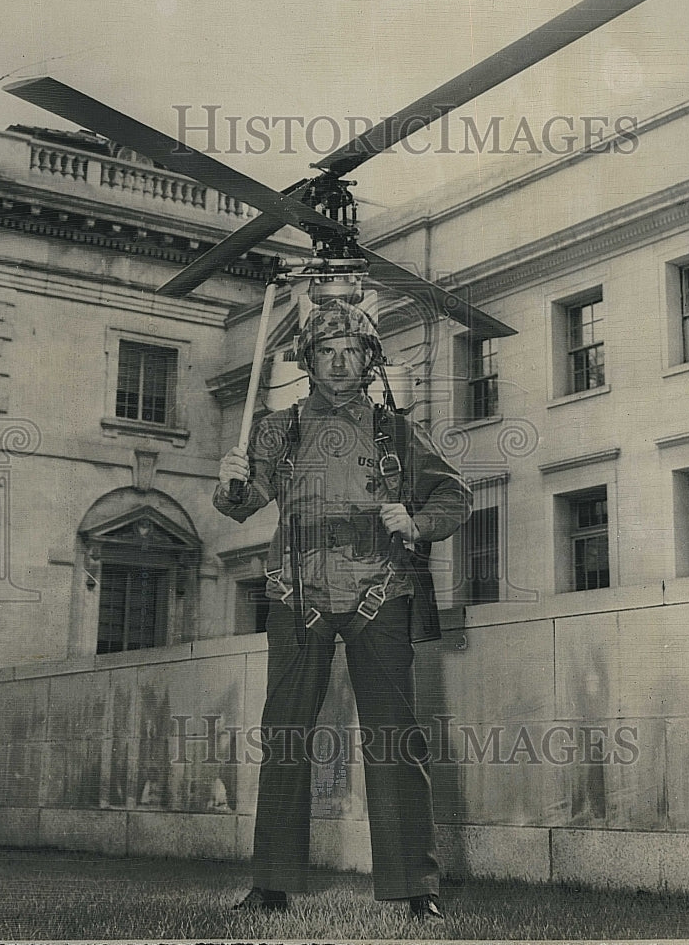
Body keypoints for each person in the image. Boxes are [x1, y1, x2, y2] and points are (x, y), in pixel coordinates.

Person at [213, 297, 472, 921]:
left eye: (349, 351)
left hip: (380, 592)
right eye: (325, 352)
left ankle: (416, 887)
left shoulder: (396, 430)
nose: (337, 362)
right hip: (296, 595)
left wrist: (415, 519)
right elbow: (241, 504)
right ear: (309, 360)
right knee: (284, 738)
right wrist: (230, 481)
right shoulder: (280, 428)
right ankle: (271, 883)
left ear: (367, 359)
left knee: (394, 742)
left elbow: (454, 497)